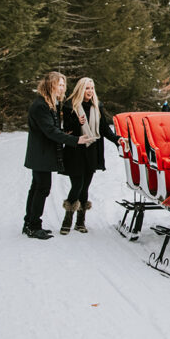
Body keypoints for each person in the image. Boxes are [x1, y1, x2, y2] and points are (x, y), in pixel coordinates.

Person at [23, 72, 90, 240]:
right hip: (41, 154)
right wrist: (75, 140)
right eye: (59, 85)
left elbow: (52, 129)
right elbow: (49, 131)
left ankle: (29, 223)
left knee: (37, 187)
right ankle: (33, 226)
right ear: (49, 85)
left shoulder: (50, 104)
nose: (62, 88)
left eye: (63, 85)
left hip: (42, 154)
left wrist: (62, 133)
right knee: (42, 188)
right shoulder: (41, 105)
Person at [60, 77, 119, 234]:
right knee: (77, 185)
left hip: (92, 151)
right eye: (87, 88)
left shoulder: (97, 106)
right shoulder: (69, 106)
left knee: (85, 186)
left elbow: (105, 129)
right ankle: (67, 218)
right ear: (81, 89)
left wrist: (117, 140)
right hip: (75, 151)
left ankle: (81, 221)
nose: (90, 91)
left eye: (92, 88)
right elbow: (66, 129)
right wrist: (77, 122)